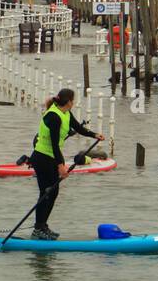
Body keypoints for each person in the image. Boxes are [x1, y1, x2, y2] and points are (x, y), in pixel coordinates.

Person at [27, 89, 103, 240]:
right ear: (68, 101)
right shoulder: (54, 116)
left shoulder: (66, 113)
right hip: (42, 158)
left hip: (50, 157)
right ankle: (38, 229)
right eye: (73, 100)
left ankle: (42, 226)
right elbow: (55, 144)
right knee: (46, 193)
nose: (73, 103)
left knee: (53, 193)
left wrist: (94, 134)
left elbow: (78, 128)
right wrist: (61, 165)